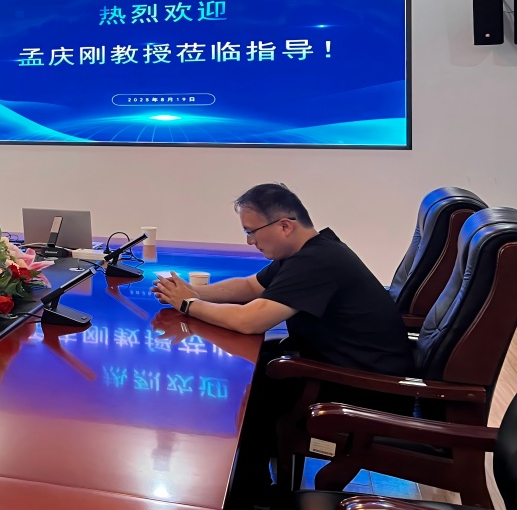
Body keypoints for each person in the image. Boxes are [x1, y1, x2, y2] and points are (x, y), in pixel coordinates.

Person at [152, 183, 413, 509]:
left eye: (251, 232)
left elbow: (251, 320)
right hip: (348, 368)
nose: (250, 241)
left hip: (370, 390)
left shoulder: (317, 262)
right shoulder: (310, 251)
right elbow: (251, 287)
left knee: (260, 382)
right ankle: (252, 479)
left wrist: (188, 305)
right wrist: (195, 293)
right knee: (261, 368)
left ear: (285, 226)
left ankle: (248, 493)